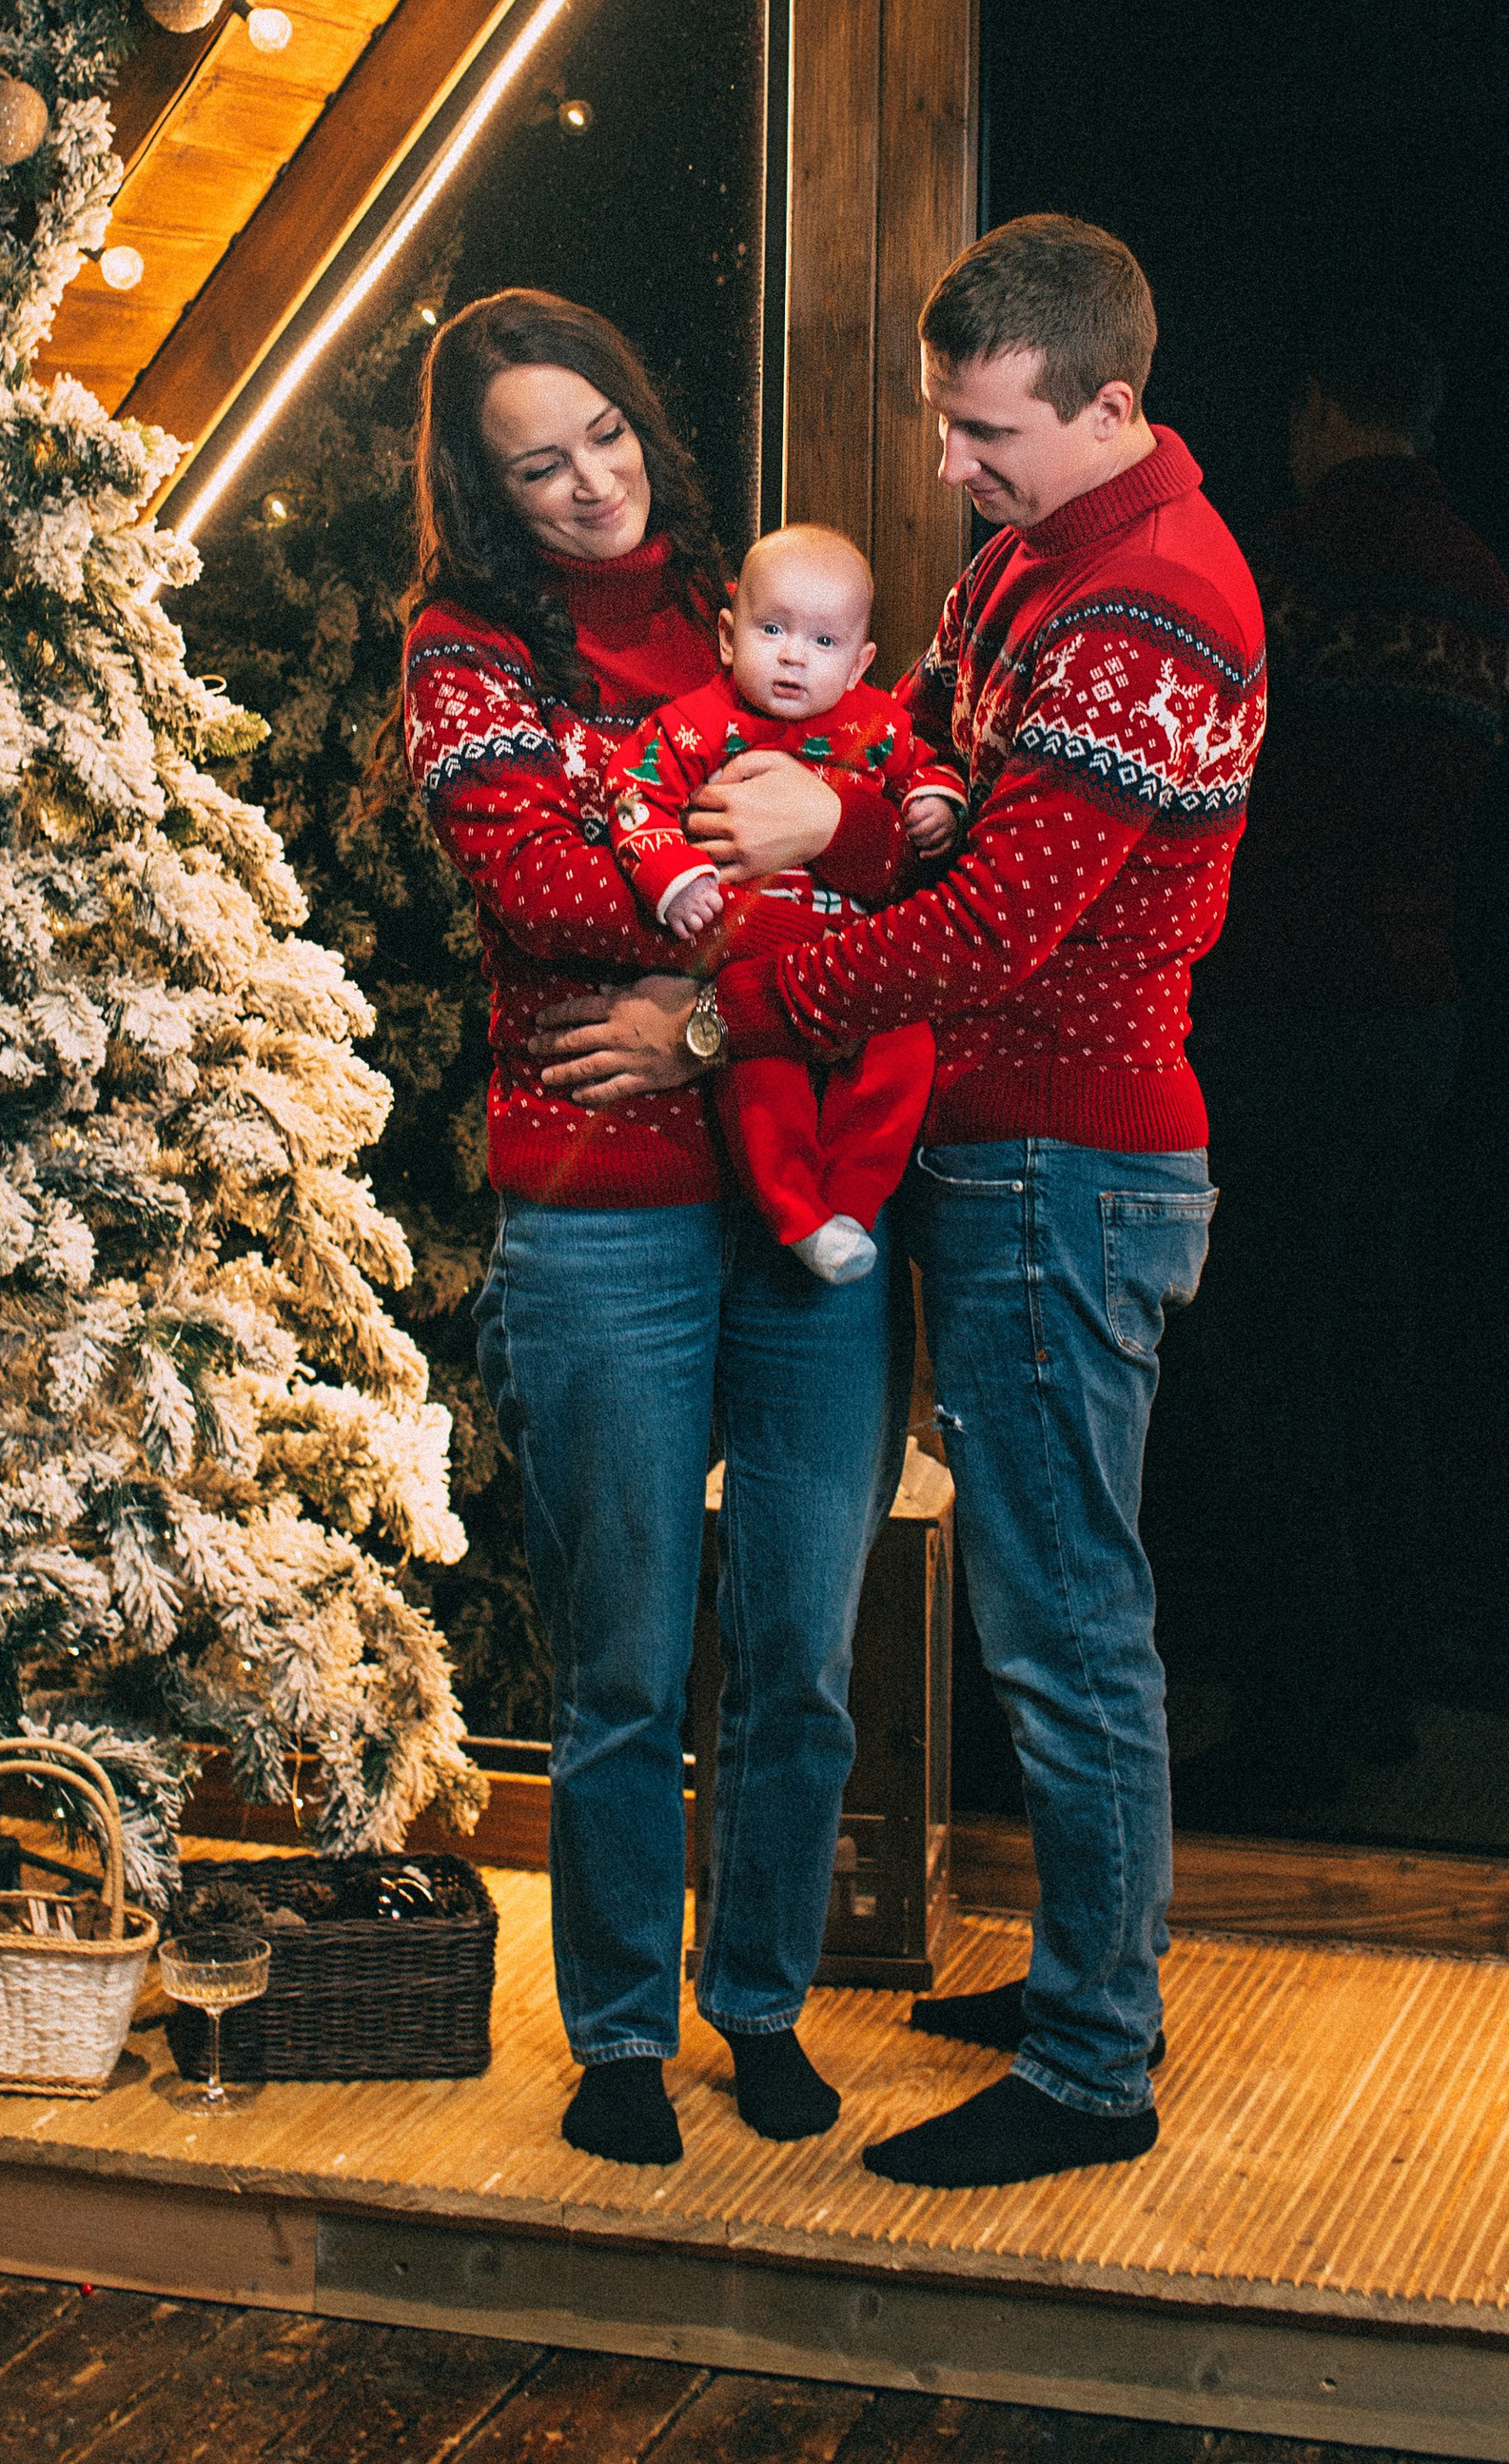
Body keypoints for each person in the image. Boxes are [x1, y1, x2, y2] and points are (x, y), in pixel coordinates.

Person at [541, 216, 1266, 2190]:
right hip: (997, 1152)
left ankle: (1093, 2062)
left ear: (1107, 406)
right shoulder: (1043, 554)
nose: (948, 468)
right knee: (1048, 1597)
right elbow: (931, 796)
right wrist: (832, 821)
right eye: (948, 432)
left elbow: (995, 933)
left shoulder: (1151, 612)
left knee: (1061, 1620)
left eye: (983, 433)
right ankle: (1080, 1978)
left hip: (1069, 1161)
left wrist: (725, 1012)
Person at [400, 291, 912, 2173]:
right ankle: (619, 2026)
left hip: (810, 1224)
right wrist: (779, 872)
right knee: (622, 1656)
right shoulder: (467, 654)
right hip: (601, 1212)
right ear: (482, 488)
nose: (591, 484)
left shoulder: (758, 600)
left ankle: (756, 2003)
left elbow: (903, 852)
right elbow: (537, 890)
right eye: (539, 465)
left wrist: (733, 973)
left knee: (797, 1642)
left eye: (604, 433)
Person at [1174, 315, 1509, 1826]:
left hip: (1287, 997)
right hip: (1416, 998)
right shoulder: (1484, 584)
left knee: (1268, 1362)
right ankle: (1381, 1684)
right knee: (1372, 1342)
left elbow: (1231, 779)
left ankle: (1290, 1718)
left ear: (1321, 408)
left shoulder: (1289, 565)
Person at [608, 522, 957, 1287]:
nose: (795, 655)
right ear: (730, 637)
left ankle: (854, 1203)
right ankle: (797, 1213)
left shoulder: (878, 724)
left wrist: (936, 801)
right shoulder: (697, 722)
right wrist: (677, 878)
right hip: (760, 965)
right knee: (764, 1078)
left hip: (863, 967)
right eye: (773, 630)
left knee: (906, 1053)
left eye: (824, 643)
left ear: (863, 661)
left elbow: (925, 773)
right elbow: (632, 798)